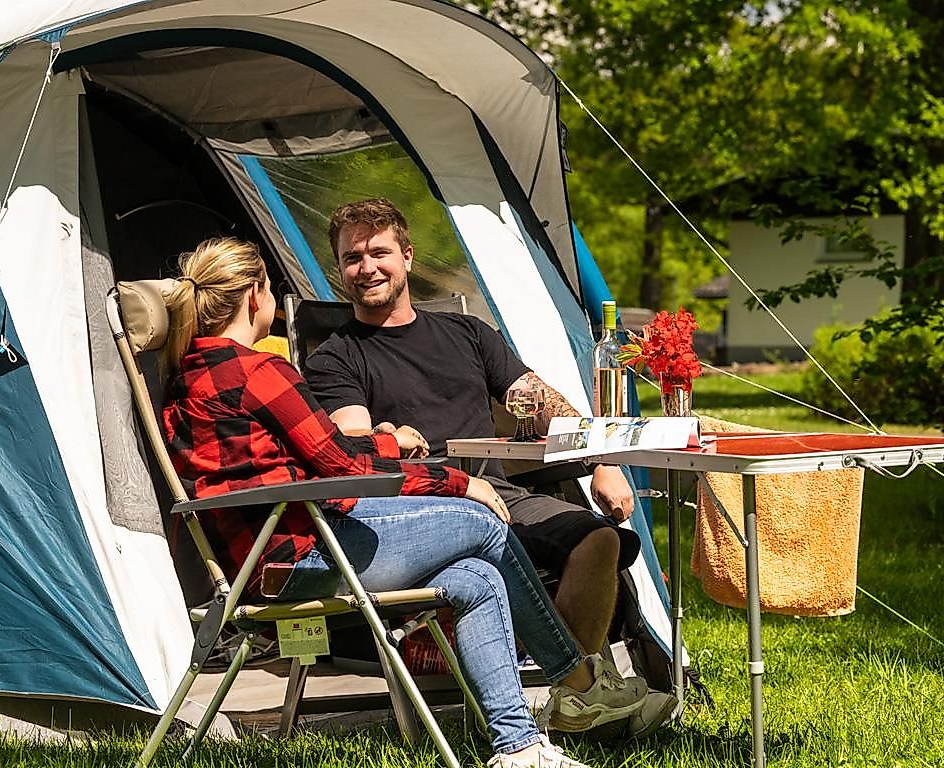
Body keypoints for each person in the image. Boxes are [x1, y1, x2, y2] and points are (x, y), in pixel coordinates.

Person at [160, 237, 647, 768]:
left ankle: (519, 747)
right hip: (298, 556)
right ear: (256, 295)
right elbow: (342, 468)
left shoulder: (191, 372)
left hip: (268, 555)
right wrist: (456, 483)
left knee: (477, 577)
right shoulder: (259, 372)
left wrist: (387, 444)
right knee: (482, 522)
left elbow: (318, 454)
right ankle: (577, 680)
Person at [303, 199, 678, 737]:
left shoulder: (468, 334)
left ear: (407, 256)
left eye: (379, 253)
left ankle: (571, 702)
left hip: (499, 492)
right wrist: (383, 438)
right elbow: (353, 441)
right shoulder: (335, 356)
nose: (367, 268)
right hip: (418, 507)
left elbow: (539, 402)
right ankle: (584, 692)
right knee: (491, 539)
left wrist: (602, 461)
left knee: (598, 539)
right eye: (352, 258)